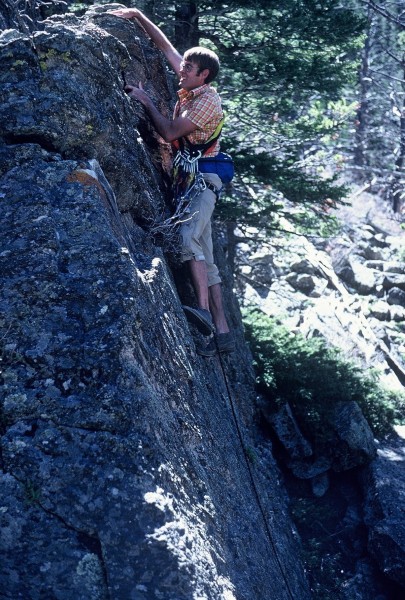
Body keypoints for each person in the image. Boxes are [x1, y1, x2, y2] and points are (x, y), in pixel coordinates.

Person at [109, 7, 234, 356]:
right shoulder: (194, 84)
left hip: (203, 180)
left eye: (188, 69)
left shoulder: (208, 104)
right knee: (206, 257)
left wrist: (146, 99)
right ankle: (221, 334)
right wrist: (137, 16)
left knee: (185, 238)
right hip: (196, 179)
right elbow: (166, 47)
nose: (181, 70)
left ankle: (206, 316)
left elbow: (168, 131)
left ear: (203, 75)